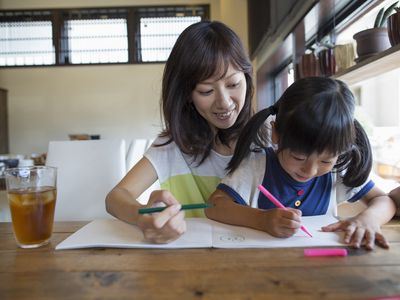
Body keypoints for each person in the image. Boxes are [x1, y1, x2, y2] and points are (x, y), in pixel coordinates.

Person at [205, 77, 396, 250]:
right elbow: (215, 206)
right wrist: (262, 220)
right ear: (276, 134)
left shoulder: (337, 171)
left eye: (325, 160)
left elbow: (384, 200)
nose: (310, 170)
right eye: (298, 157)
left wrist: (369, 219)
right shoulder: (257, 166)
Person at [105, 20, 254, 243]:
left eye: (233, 85)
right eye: (206, 91)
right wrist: (142, 217)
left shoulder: (267, 137)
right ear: (187, 94)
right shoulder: (173, 145)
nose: (224, 102)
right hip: (189, 259)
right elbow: (115, 198)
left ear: (247, 78)